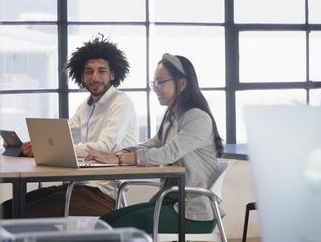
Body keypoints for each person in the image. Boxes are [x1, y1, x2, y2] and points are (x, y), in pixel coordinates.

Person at [0, 35, 139, 218]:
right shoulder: (86, 105)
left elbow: (103, 148)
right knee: (6, 210)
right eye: (89, 72)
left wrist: (43, 150)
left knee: (20, 214)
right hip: (77, 185)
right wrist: (31, 146)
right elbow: (63, 137)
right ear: (81, 76)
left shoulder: (121, 103)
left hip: (103, 193)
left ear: (112, 74)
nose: (95, 77)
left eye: (101, 71)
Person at [85, 53, 224, 234]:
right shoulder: (171, 117)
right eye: (154, 83)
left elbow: (167, 153)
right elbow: (151, 145)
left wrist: (119, 160)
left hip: (192, 213)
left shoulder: (197, 118)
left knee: (115, 227)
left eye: (160, 82)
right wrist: (119, 154)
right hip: (169, 201)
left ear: (182, 83)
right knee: (105, 221)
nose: (155, 88)